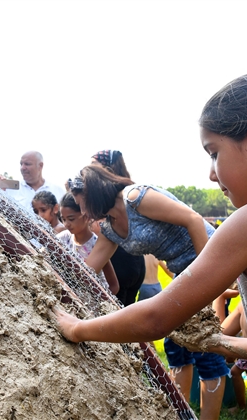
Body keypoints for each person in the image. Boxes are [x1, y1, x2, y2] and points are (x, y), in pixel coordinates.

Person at [55, 72, 247, 418]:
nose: (211, 174)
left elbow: (157, 317)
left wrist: (77, 328)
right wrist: (222, 343)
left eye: (213, 153)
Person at [64, 165, 230, 419]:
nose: (83, 212)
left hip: (210, 259)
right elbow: (88, 269)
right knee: (182, 342)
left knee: (205, 345)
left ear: (94, 193)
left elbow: (194, 220)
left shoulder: (135, 198)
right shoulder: (109, 228)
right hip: (183, 274)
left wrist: (209, 276)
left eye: (82, 204)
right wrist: (55, 274)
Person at [89, 150, 147, 307]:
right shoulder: (128, 193)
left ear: (107, 169)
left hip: (119, 261)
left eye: (94, 165)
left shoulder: (117, 199)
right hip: (136, 262)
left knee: (115, 309)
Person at [57, 193, 119, 295]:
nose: (66, 224)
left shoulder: (96, 245)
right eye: (63, 219)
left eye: (71, 219)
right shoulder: (64, 238)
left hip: (92, 299)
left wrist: (102, 303)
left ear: (86, 216)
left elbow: (114, 285)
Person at [0, 151, 65, 212]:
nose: (22, 168)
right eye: (21, 164)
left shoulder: (58, 191)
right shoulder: (9, 189)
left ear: (40, 166)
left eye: (27, 164)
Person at [221, 300, 247, 413]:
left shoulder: (245, 303)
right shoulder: (245, 303)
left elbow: (222, 332)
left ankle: (241, 407)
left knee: (235, 372)